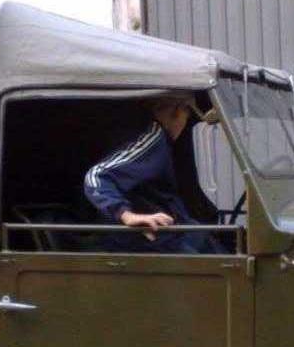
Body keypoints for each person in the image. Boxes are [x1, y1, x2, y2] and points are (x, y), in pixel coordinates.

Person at [83, 96, 220, 253]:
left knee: (211, 243)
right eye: (188, 115)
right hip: (145, 239)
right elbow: (96, 176)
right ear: (178, 112)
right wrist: (126, 215)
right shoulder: (152, 137)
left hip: (172, 228)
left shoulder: (162, 142)